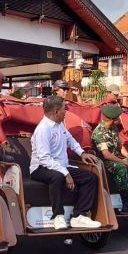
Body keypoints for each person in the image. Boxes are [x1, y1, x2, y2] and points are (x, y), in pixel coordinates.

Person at [29, 95, 102, 230]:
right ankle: (58, 216)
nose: (66, 112)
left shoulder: (60, 125)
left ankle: (79, 216)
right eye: (64, 109)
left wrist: (82, 153)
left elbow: (70, 140)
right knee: (57, 176)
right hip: (40, 168)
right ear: (56, 111)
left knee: (90, 177)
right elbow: (44, 158)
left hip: (60, 166)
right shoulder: (43, 130)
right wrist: (66, 173)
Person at [91, 104, 128, 211]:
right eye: (118, 117)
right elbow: (106, 154)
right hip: (104, 162)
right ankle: (125, 202)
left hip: (116, 158)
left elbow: (120, 146)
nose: (120, 119)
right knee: (121, 168)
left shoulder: (114, 128)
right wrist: (126, 163)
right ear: (113, 119)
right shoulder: (99, 133)